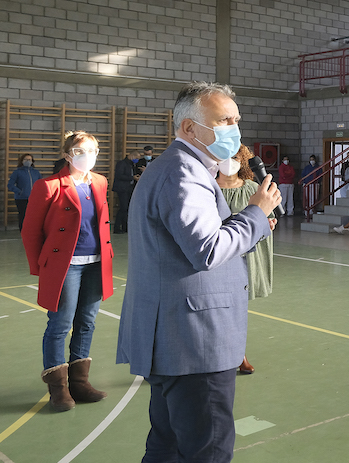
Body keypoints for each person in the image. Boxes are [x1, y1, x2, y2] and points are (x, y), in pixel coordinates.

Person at [116, 82, 281, 461]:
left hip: (178, 339)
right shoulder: (183, 173)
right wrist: (256, 213)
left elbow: (195, 240)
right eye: (224, 120)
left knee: (168, 445)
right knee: (207, 449)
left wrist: (250, 226)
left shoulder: (184, 168)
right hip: (194, 343)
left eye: (236, 120)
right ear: (190, 128)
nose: (234, 129)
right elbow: (206, 250)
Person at [22, 130, 114, 413]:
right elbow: (30, 231)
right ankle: (58, 389)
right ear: (67, 155)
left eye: (93, 151)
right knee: (60, 324)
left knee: (87, 322)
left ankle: (79, 383)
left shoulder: (99, 181)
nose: (88, 157)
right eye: (80, 151)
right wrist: (40, 267)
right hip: (65, 265)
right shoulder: (48, 186)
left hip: (96, 262)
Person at [216, 145, 275, 374]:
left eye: (234, 157)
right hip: (219, 254)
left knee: (238, 308)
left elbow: (264, 217)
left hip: (245, 255)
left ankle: (238, 353)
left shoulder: (253, 188)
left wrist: (267, 224)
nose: (229, 162)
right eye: (224, 157)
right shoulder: (208, 188)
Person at [8, 153, 42, 231]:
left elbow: (41, 184)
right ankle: (23, 231)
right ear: (22, 161)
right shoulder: (17, 172)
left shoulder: (36, 172)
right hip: (21, 199)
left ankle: (32, 231)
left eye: (29, 160)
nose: (28, 161)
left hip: (34, 198)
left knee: (34, 216)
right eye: (26, 159)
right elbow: (10, 185)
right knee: (23, 215)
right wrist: (19, 192)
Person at [111, 150, 141, 233]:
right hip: (122, 189)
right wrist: (132, 177)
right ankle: (117, 228)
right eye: (136, 158)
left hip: (129, 189)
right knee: (123, 208)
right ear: (132, 156)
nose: (137, 160)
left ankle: (125, 227)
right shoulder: (122, 163)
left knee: (127, 209)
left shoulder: (132, 164)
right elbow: (119, 175)